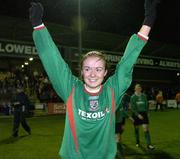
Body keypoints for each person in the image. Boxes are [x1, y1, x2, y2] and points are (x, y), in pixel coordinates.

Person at [29, 0, 160, 158]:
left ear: (105, 73)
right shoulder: (71, 89)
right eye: (87, 69)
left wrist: (148, 20)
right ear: (82, 72)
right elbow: (54, 61)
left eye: (98, 69)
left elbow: (128, 61)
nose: (92, 74)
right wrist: (38, 26)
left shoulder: (112, 91)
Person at [130, 84, 154, 150]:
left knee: (146, 129)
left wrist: (148, 112)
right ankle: (137, 141)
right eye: (137, 88)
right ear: (135, 89)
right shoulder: (133, 97)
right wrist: (138, 115)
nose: (138, 89)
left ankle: (149, 144)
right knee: (137, 129)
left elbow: (146, 105)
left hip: (144, 113)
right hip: (136, 114)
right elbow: (132, 108)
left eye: (139, 88)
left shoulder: (144, 96)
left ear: (141, 89)